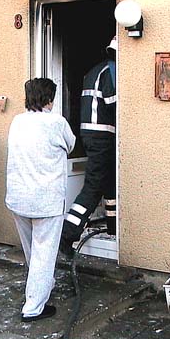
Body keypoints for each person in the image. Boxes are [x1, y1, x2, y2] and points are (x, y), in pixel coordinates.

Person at [5, 78, 75, 322]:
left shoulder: (17, 121)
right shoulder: (57, 123)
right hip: (46, 201)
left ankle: (44, 284)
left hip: (18, 198)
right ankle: (33, 307)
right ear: (49, 99)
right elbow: (71, 145)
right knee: (44, 254)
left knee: (32, 252)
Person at [59, 37, 117, 257]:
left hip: (93, 135)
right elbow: (114, 103)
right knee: (93, 187)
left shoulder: (95, 70)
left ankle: (113, 227)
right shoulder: (110, 71)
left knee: (109, 181)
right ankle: (68, 234)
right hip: (102, 135)